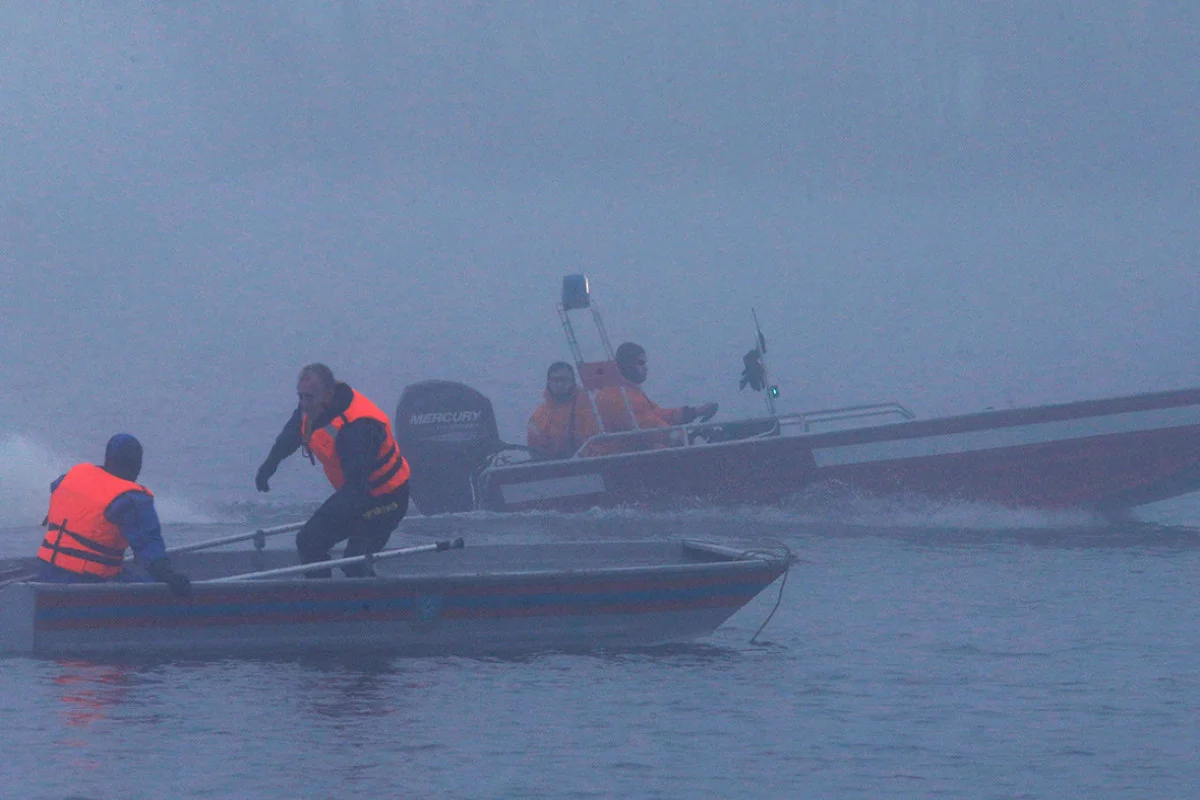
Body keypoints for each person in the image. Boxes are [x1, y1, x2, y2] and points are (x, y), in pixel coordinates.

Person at [255, 363, 411, 578]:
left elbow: (357, 487)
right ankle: (323, 603)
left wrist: (326, 516)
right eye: (300, 396)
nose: (303, 404)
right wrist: (269, 466)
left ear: (328, 394)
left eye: (308, 397)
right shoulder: (310, 408)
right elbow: (291, 436)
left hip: (387, 500)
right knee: (309, 542)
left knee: (354, 562)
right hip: (358, 494)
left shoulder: (358, 426)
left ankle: (373, 608)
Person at [36, 434, 191, 596]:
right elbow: (148, 544)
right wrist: (166, 575)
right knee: (152, 586)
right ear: (137, 464)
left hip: (47, 570)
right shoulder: (130, 499)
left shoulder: (68, 478)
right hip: (88, 583)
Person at [588, 342, 718, 454]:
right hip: (621, 461)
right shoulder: (615, 397)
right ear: (627, 365)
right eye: (640, 363)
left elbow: (657, 415)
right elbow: (649, 428)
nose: (646, 368)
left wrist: (694, 412)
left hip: (636, 454)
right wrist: (685, 438)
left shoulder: (630, 392)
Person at [526, 362, 601, 460]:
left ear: (573, 381)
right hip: (558, 470)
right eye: (555, 380)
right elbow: (535, 452)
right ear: (548, 382)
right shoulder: (538, 417)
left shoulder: (593, 407)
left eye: (564, 380)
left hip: (592, 466)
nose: (559, 384)